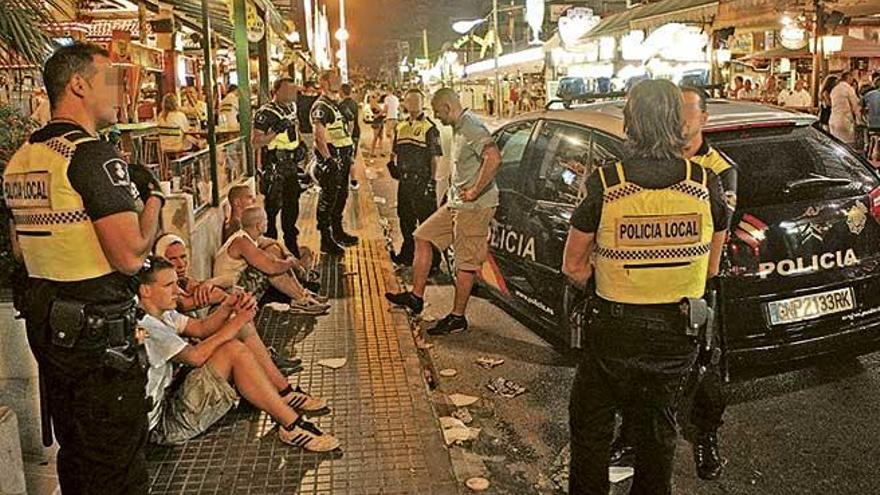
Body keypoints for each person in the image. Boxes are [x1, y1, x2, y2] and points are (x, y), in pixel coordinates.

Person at [3, 42, 165, 494]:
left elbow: (21, 248)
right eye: (110, 79)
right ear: (78, 84)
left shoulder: (22, 160)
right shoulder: (91, 155)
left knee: (77, 461)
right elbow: (131, 255)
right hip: (100, 345)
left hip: (53, 336)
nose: (120, 91)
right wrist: (153, 199)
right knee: (117, 467)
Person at [562, 80, 730, 495]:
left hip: (613, 334)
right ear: (677, 121)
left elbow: (572, 267)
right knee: (657, 439)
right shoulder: (705, 183)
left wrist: (613, 278)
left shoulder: (608, 182)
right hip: (676, 335)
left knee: (591, 432)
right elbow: (710, 269)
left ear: (630, 122)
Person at [608, 86, 736, 481]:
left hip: (697, 286)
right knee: (637, 375)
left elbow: (719, 232)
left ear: (704, 118)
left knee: (708, 373)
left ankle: (705, 438)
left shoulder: (718, 169)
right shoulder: (639, 163)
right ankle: (629, 436)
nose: (679, 119)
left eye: (687, 111)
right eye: (673, 111)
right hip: (643, 289)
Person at [136, 257, 339, 451]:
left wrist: (229, 307)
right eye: (168, 285)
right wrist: (237, 320)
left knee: (238, 329)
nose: (176, 291)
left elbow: (200, 328)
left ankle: (284, 392)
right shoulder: (148, 326)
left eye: (175, 284)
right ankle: (291, 425)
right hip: (166, 424)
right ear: (146, 290)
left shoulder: (163, 312)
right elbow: (195, 356)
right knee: (234, 348)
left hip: (175, 392)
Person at [385, 88, 502, 335]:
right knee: (422, 236)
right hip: (456, 203)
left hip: (474, 207)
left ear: (447, 107)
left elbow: (493, 157)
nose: (436, 117)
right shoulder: (458, 128)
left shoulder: (472, 127)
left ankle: (457, 318)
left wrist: (475, 191)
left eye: (438, 112)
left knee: (465, 263)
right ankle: (416, 298)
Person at [214, 206, 328, 314]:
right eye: (266, 220)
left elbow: (274, 243)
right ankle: (301, 300)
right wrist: (291, 262)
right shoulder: (241, 242)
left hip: (239, 284)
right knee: (272, 266)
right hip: (231, 292)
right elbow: (272, 268)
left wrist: (288, 256)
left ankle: (302, 294)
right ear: (259, 225)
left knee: (273, 251)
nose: (268, 222)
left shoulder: (248, 236)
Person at [388, 89, 442, 269]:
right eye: (409, 101)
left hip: (422, 181)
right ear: (404, 103)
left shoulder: (430, 128)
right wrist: (391, 164)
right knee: (405, 219)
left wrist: (432, 182)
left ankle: (433, 262)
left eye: (416, 101)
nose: (413, 104)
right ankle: (407, 254)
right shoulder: (401, 126)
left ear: (422, 102)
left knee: (427, 223)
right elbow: (395, 149)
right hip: (405, 182)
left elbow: (434, 158)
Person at [252, 77, 306, 256]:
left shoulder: (292, 108)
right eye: (288, 90)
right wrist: (275, 131)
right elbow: (256, 142)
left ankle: (292, 247)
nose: (292, 94)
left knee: (292, 207)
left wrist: (301, 146)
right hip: (274, 166)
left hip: (291, 166)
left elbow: (295, 131)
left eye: (294, 90)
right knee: (272, 211)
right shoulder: (265, 113)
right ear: (277, 91)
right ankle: (271, 251)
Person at [311, 69, 359, 255]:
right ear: (323, 82)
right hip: (332, 157)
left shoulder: (336, 104)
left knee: (342, 195)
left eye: (338, 79)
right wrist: (328, 159)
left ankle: (337, 231)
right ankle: (326, 238)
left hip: (343, 156)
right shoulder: (322, 106)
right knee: (329, 197)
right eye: (333, 79)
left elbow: (345, 130)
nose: (338, 81)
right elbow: (319, 137)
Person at [339, 83, 362, 191]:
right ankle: (353, 181)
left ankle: (352, 181)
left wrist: (348, 134)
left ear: (342, 92)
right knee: (351, 157)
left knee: (347, 158)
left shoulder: (342, 105)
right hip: (356, 133)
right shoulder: (354, 103)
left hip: (348, 134)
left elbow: (350, 121)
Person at [830, 71, 862, 145]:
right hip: (844, 121)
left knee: (835, 145)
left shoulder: (834, 89)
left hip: (833, 120)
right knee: (847, 146)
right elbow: (855, 106)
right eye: (852, 78)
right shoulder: (848, 89)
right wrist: (860, 120)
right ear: (848, 78)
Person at [296, 81, 320, 155]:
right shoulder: (316, 99)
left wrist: (301, 89)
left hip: (302, 130)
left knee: (304, 153)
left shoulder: (298, 98)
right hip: (311, 130)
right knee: (312, 153)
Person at [863, 78, 880, 160]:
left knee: (873, 138)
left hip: (871, 124)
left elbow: (860, 108)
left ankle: (870, 154)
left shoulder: (868, 94)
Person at [368, 91, 386, 159]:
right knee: (375, 137)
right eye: (375, 97)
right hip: (377, 121)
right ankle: (372, 152)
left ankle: (380, 151)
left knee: (381, 137)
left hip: (380, 121)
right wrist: (382, 112)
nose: (377, 98)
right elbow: (378, 113)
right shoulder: (373, 104)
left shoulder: (375, 104)